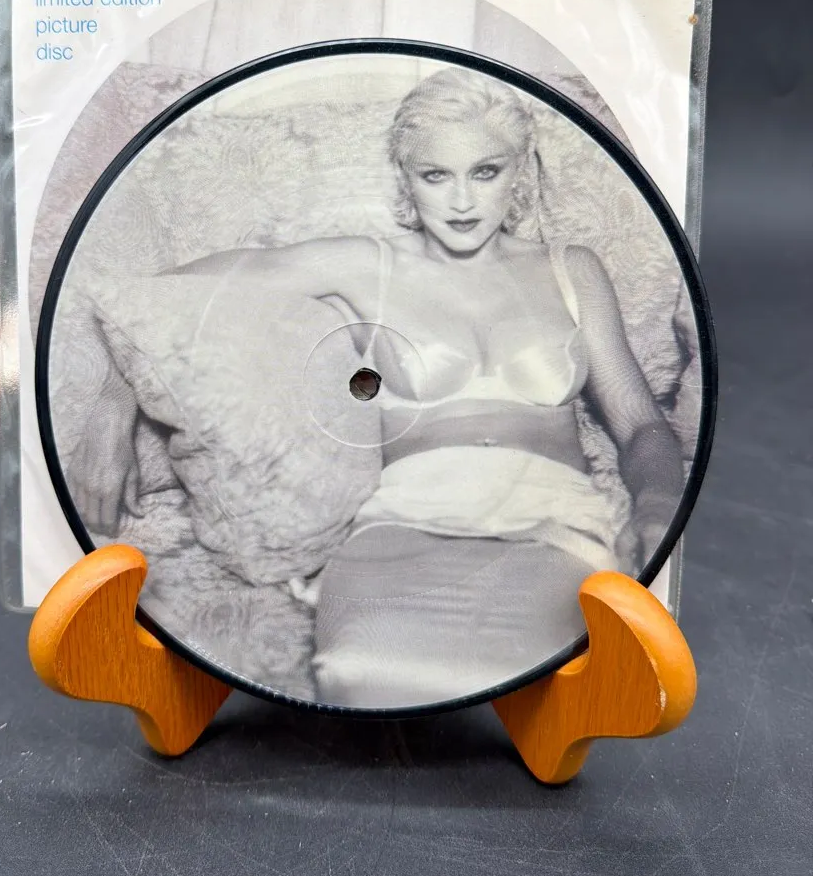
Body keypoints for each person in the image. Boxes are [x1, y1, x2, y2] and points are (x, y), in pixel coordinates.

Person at [69, 66, 683, 707]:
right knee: (358, 671)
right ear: (406, 178)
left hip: (553, 526)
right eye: (436, 175)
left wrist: (657, 506)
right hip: (402, 528)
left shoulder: (571, 270)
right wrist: (112, 408)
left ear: (519, 172)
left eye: (485, 171)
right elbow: (163, 301)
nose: (462, 202)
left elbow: (641, 424)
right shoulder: (368, 265)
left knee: (540, 674)